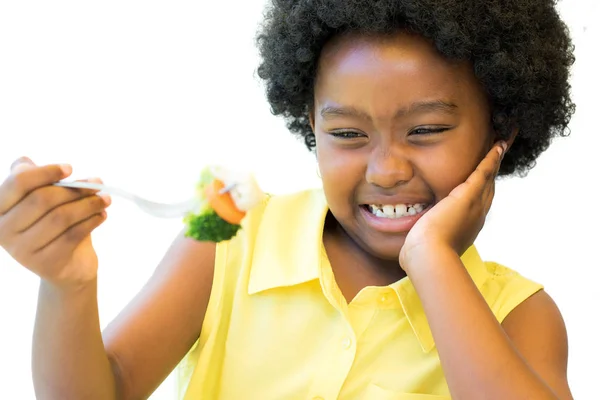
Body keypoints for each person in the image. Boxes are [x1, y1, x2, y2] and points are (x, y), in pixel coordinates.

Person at [0, 0, 576, 398]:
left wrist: (431, 259)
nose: (387, 169)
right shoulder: (228, 227)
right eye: (348, 134)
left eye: (424, 130)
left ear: (501, 133)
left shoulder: (521, 314)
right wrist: (68, 285)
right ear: (310, 125)